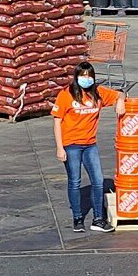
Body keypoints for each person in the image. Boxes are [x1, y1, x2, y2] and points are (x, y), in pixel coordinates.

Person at [52, 62, 126, 233]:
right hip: (71, 145)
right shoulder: (66, 94)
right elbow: (57, 121)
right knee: (75, 181)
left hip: (90, 144)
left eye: (89, 75)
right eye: (83, 75)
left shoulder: (98, 93)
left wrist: (120, 101)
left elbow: (119, 94)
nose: (86, 79)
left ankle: (98, 219)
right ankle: (78, 218)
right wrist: (60, 147)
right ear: (76, 77)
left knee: (98, 181)